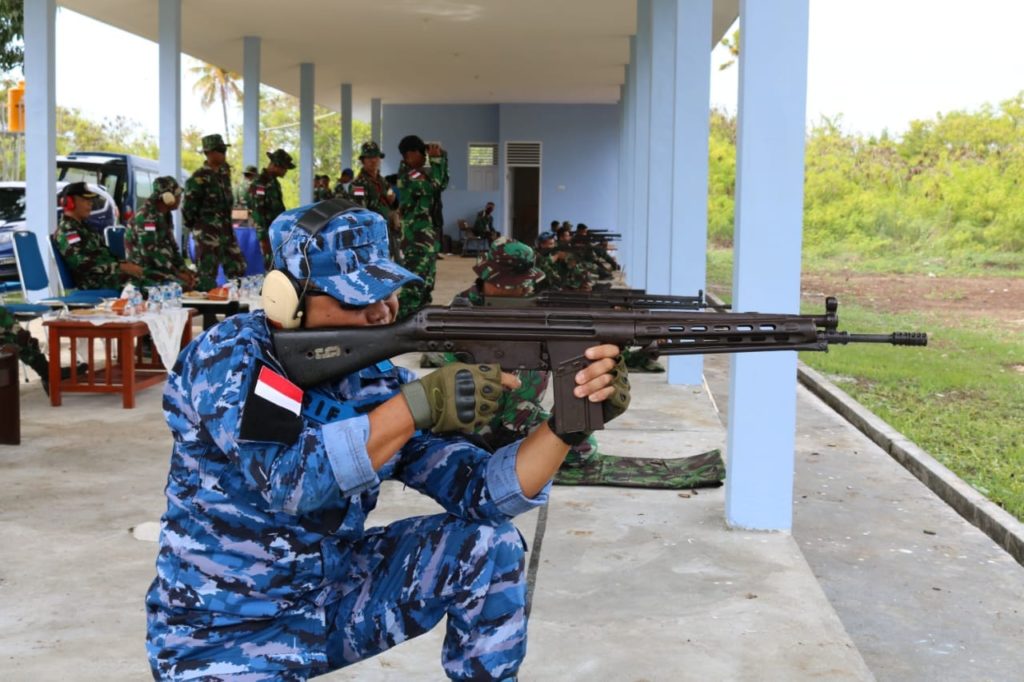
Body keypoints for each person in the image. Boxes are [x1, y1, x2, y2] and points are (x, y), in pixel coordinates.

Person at [144, 203, 629, 680]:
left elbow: (481, 491)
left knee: (487, 545)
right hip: (224, 637)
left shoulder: (371, 378)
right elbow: (292, 483)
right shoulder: (230, 359)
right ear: (283, 298)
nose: (381, 312)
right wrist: (413, 406)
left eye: (388, 292)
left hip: (330, 599)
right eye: (358, 298)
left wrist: (569, 422)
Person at [429, 241, 723, 488]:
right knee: (580, 450)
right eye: (512, 287)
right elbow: (456, 392)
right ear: (489, 281)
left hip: (516, 410)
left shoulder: (525, 306)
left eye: (523, 287)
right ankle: (498, 450)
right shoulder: (462, 319)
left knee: (575, 438)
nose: (521, 293)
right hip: (484, 420)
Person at [182, 133, 247, 291]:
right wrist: (199, 228)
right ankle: (206, 312)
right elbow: (188, 209)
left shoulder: (224, 175)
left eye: (224, 150)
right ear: (209, 153)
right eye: (220, 150)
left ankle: (235, 304)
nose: (224, 153)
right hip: (207, 234)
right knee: (206, 274)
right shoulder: (198, 179)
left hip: (226, 231)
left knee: (238, 267)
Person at [396, 135, 449, 319]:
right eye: (422, 154)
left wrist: (442, 159)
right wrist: (436, 160)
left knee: (426, 286)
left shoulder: (419, 172)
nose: (425, 158)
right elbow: (435, 185)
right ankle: (399, 324)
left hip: (426, 238)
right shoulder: (410, 175)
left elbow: (442, 182)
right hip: (416, 239)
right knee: (413, 288)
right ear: (409, 155)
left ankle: (417, 322)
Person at [53, 182, 143, 289]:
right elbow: (81, 264)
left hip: (107, 277)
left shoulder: (84, 227)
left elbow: (104, 254)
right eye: (85, 200)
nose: (90, 204)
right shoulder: (67, 231)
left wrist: (126, 265)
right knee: (142, 285)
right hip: (93, 282)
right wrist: (121, 267)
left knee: (151, 276)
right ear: (70, 203)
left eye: (91, 200)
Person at [125, 176, 196, 290]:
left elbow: (173, 247)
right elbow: (150, 254)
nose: (180, 198)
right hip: (145, 271)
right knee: (181, 287)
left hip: (164, 269)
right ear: (168, 197)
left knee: (202, 281)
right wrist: (177, 274)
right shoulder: (146, 217)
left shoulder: (165, 214)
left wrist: (184, 269)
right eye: (177, 194)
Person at [248, 148, 295, 269]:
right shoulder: (260, 183)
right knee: (270, 267)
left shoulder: (274, 182)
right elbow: (257, 211)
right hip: (266, 234)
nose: (285, 171)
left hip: (275, 232)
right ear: (275, 165)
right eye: (284, 168)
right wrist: (263, 238)